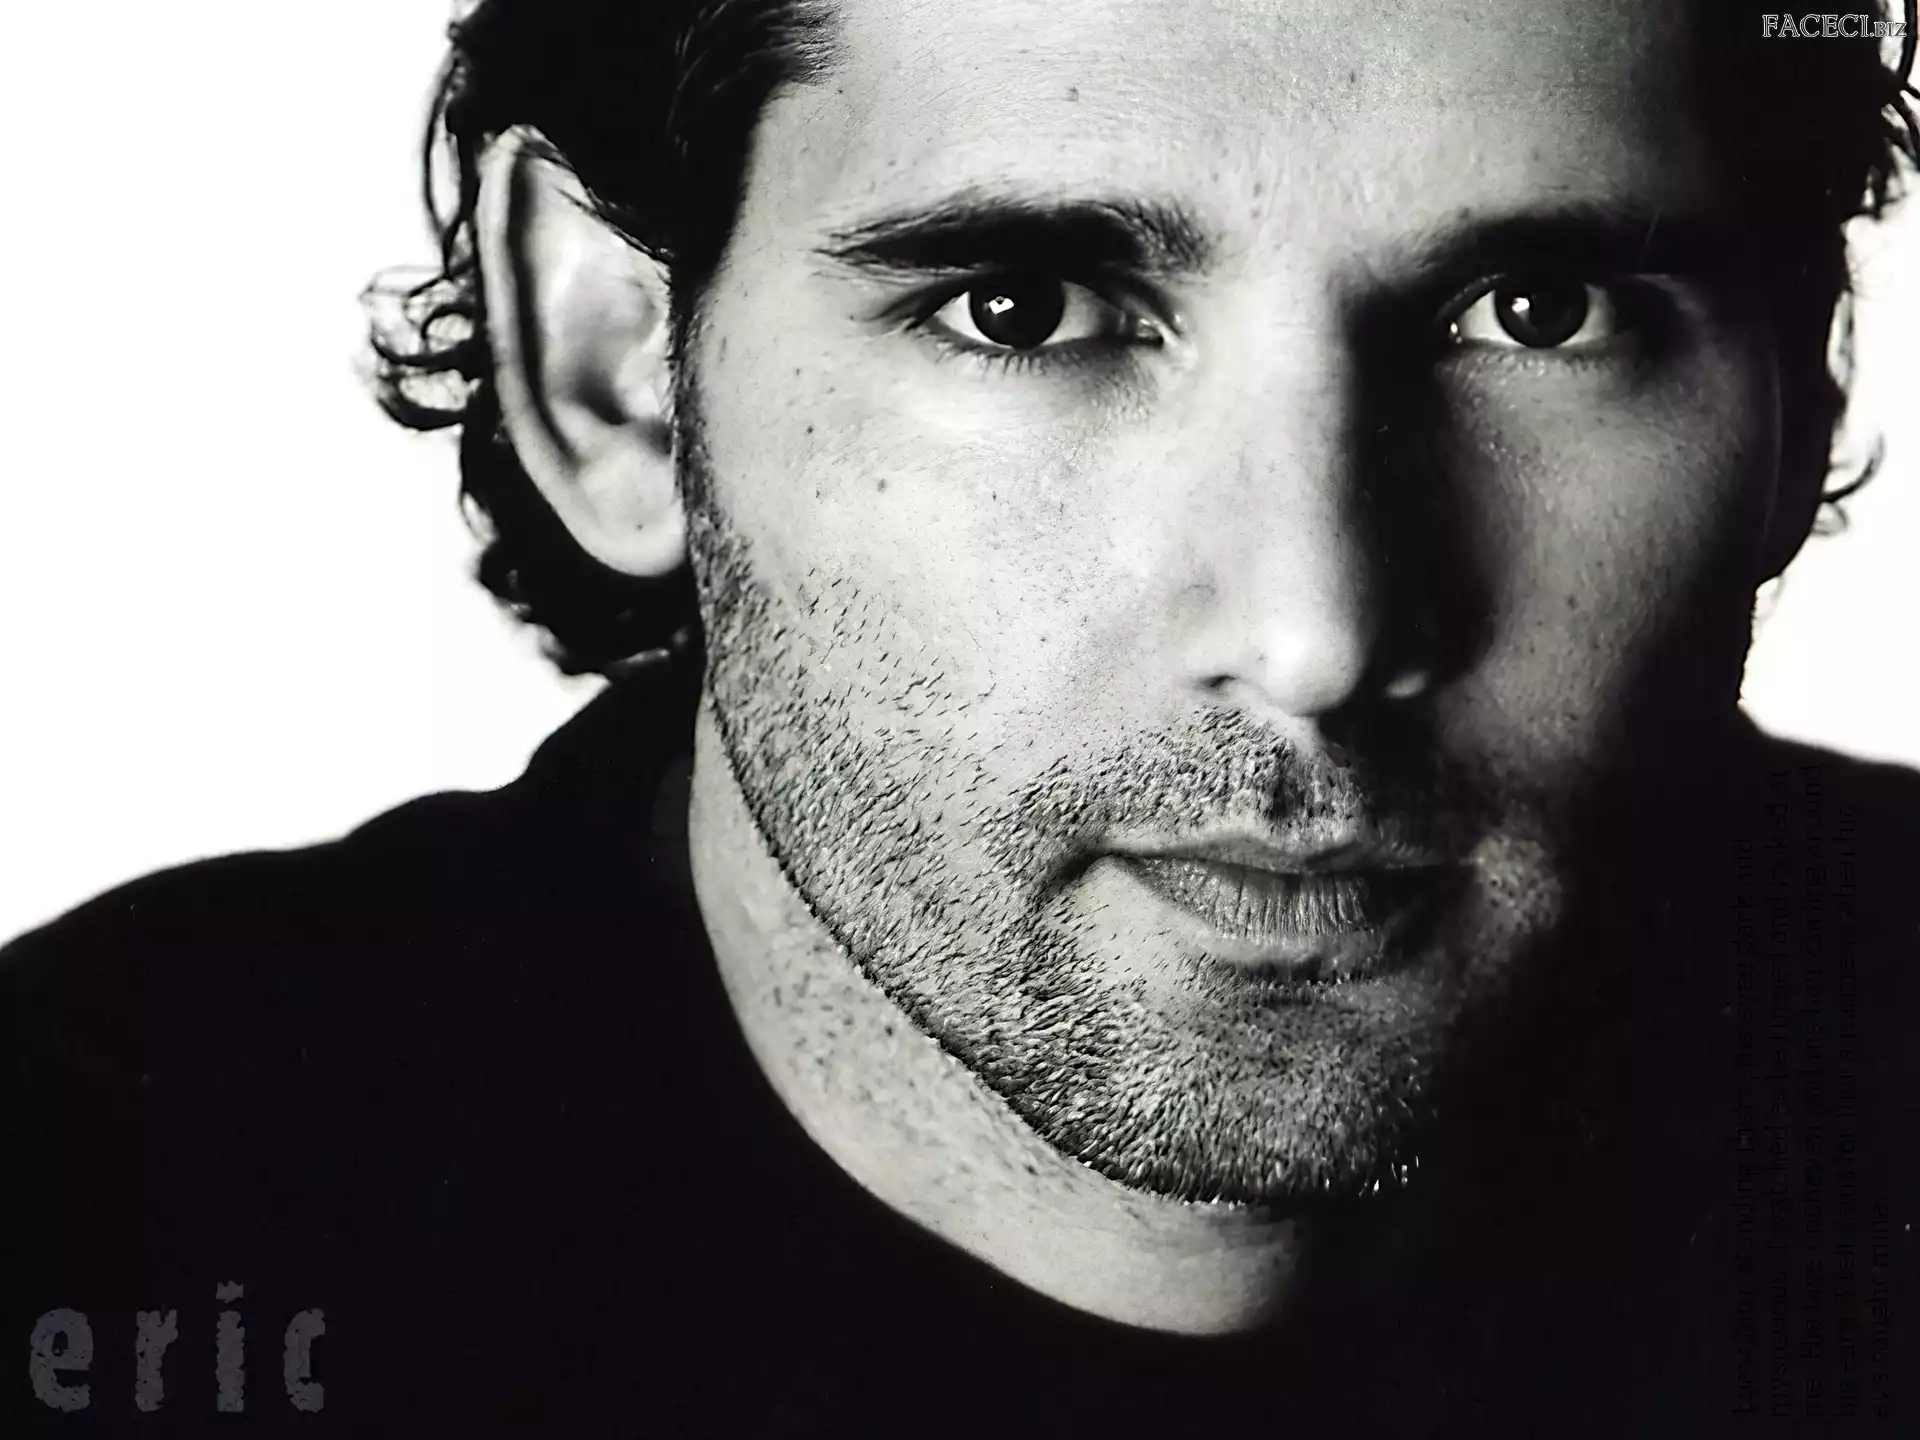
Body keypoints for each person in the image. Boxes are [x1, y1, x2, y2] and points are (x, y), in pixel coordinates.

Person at [5, 0, 1917, 1432]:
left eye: (1543, 311)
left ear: (1805, 388)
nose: (1317, 632)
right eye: (1023, 307)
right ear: (616, 373)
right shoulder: (97, 1227)